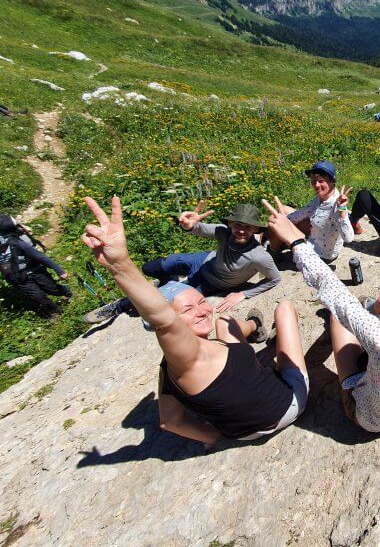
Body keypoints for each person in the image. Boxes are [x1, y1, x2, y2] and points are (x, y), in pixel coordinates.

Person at [80, 196, 308, 447]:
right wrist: (121, 264)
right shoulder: (191, 355)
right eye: (189, 308)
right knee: (284, 308)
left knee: (223, 319)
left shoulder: (169, 369)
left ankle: (251, 323)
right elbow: (164, 320)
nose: (203, 311)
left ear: (256, 229)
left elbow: (169, 421)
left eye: (201, 303)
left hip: (241, 433)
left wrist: (213, 439)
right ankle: (158, 289)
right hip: (286, 403)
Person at [264, 179, 380, 433]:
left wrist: (295, 241)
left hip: (371, 418)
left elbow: (332, 288)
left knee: (338, 316)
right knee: (361, 310)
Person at [84, 202, 281, 324]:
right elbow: (200, 228)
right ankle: (168, 279)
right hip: (202, 260)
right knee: (149, 267)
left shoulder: (258, 256)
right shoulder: (224, 232)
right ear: (230, 223)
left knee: (162, 300)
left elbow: (275, 279)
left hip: (208, 283)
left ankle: (119, 306)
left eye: (248, 227)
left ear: (256, 229)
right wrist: (188, 226)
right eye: (237, 224)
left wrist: (243, 294)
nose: (241, 230)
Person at [267, 161, 354, 263]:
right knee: (283, 211)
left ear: (332, 181)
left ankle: (274, 253)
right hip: (316, 237)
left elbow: (348, 238)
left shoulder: (337, 204)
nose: (316, 185)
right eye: (313, 181)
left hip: (322, 254)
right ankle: (279, 240)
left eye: (321, 181)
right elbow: (302, 213)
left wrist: (342, 210)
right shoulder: (320, 198)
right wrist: (282, 222)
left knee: (274, 222)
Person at [1, 217, 70, 318]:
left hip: (35, 271)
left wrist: (60, 271)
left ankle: (66, 292)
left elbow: (40, 257)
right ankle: (55, 312)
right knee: (38, 296)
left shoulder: (17, 243)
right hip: (18, 278)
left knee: (52, 289)